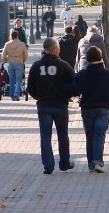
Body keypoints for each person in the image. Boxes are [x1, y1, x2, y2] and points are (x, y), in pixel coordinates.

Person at [26, 37, 76, 174]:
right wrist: (67, 95)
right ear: (54, 49)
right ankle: (64, 162)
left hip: (44, 105)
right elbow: (74, 85)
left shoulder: (36, 66)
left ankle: (48, 165)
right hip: (60, 105)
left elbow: (30, 88)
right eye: (58, 48)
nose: (59, 50)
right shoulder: (64, 66)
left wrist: (40, 97)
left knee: (45, 136)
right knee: (62, 134)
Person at [69, 46, 109, 172]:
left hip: (87, 109)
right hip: (103, 108)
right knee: (99, 135)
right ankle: (98, 162)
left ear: (88, 59)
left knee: (90, 136)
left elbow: (74, 90)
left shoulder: (83, 74)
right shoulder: (107, 73)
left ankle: (91, 163)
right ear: (101, 57)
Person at [1, 29, 29, 100]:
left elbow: (3, 56)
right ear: (17, 36)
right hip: (19, 62)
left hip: (10, 63)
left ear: (11, 36)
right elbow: (26, 54)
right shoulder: (22, 44)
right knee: (19, 80)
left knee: (11, 79)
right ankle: (17, 93)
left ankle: (11, 95)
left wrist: (6, 60)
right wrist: (23, 60)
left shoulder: (7, 44)